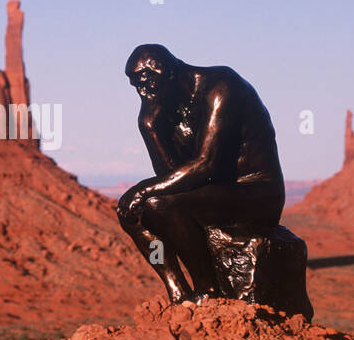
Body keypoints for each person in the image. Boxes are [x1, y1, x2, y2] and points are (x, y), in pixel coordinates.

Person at [116, 44, 286, 303]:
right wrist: (149, 127)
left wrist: (144, 189)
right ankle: (178, 292)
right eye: (138, 88)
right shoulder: (165, 108)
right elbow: (170, 175)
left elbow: (207, 165)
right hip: (212, 192)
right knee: (133, 212)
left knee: (157, 203)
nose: (144, 94)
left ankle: (208, 290)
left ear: (168, 74)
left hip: (256, 193)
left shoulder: (221, 88)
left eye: (148, 86)